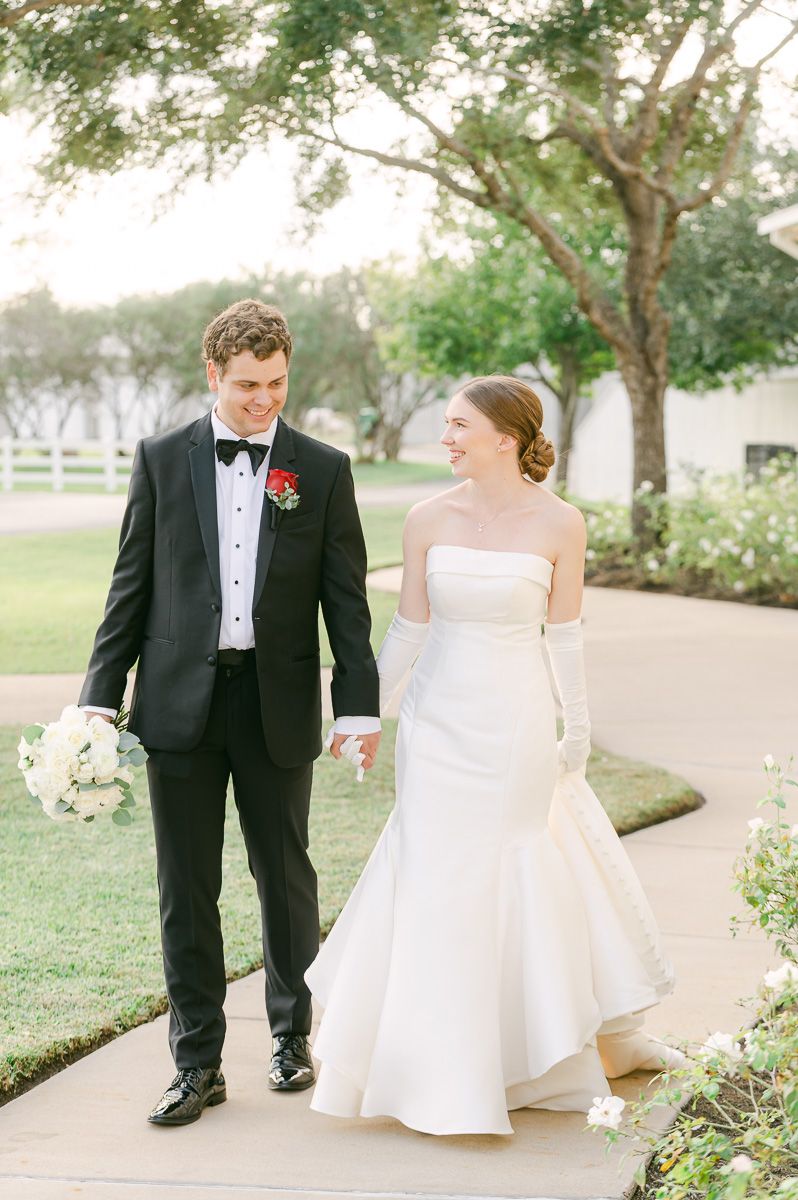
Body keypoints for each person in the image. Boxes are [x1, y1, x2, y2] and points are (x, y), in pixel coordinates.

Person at [305, 374, 683, 1136]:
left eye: (456, 426)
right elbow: (410, 628)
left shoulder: (559, 524)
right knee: (433, 869)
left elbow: (565, 635)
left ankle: (525, 1059)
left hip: (512, 724)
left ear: (505, 439)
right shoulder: (425, 518)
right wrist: (360, 708)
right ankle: (426, 1062)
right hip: (436, 722)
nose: (444, 438)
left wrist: (575, 725)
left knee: (507, 868)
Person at [80, 299, 381, 1126]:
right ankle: (197, 1064)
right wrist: (99, 700)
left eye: (278, 384)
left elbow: (346, 606)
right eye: (248, 385)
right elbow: (129, 588)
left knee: (285, 879)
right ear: (213, 373)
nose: (264, 401)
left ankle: (292, 1039)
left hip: (276, 703)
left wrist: (357, 708)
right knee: (187, 889)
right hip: (177, 707)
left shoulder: (320, 469)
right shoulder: (159, 458)